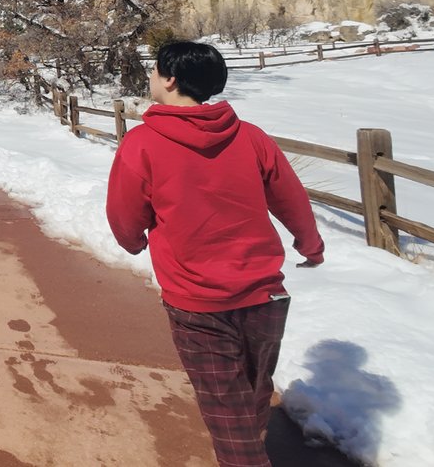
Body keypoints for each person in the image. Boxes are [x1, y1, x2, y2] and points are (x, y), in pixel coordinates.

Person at [106, 40, 324, 467]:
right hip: (265, 295)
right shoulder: (251, 136)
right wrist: (310, 245)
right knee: (253, 390)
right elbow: (290, 197)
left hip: (197, 301)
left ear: (169, 79)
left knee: (226, 409)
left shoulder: (142, 144)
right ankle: (252, 446)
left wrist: (134, 242)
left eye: (154, 70)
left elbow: (124, 214)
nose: (150, 77)